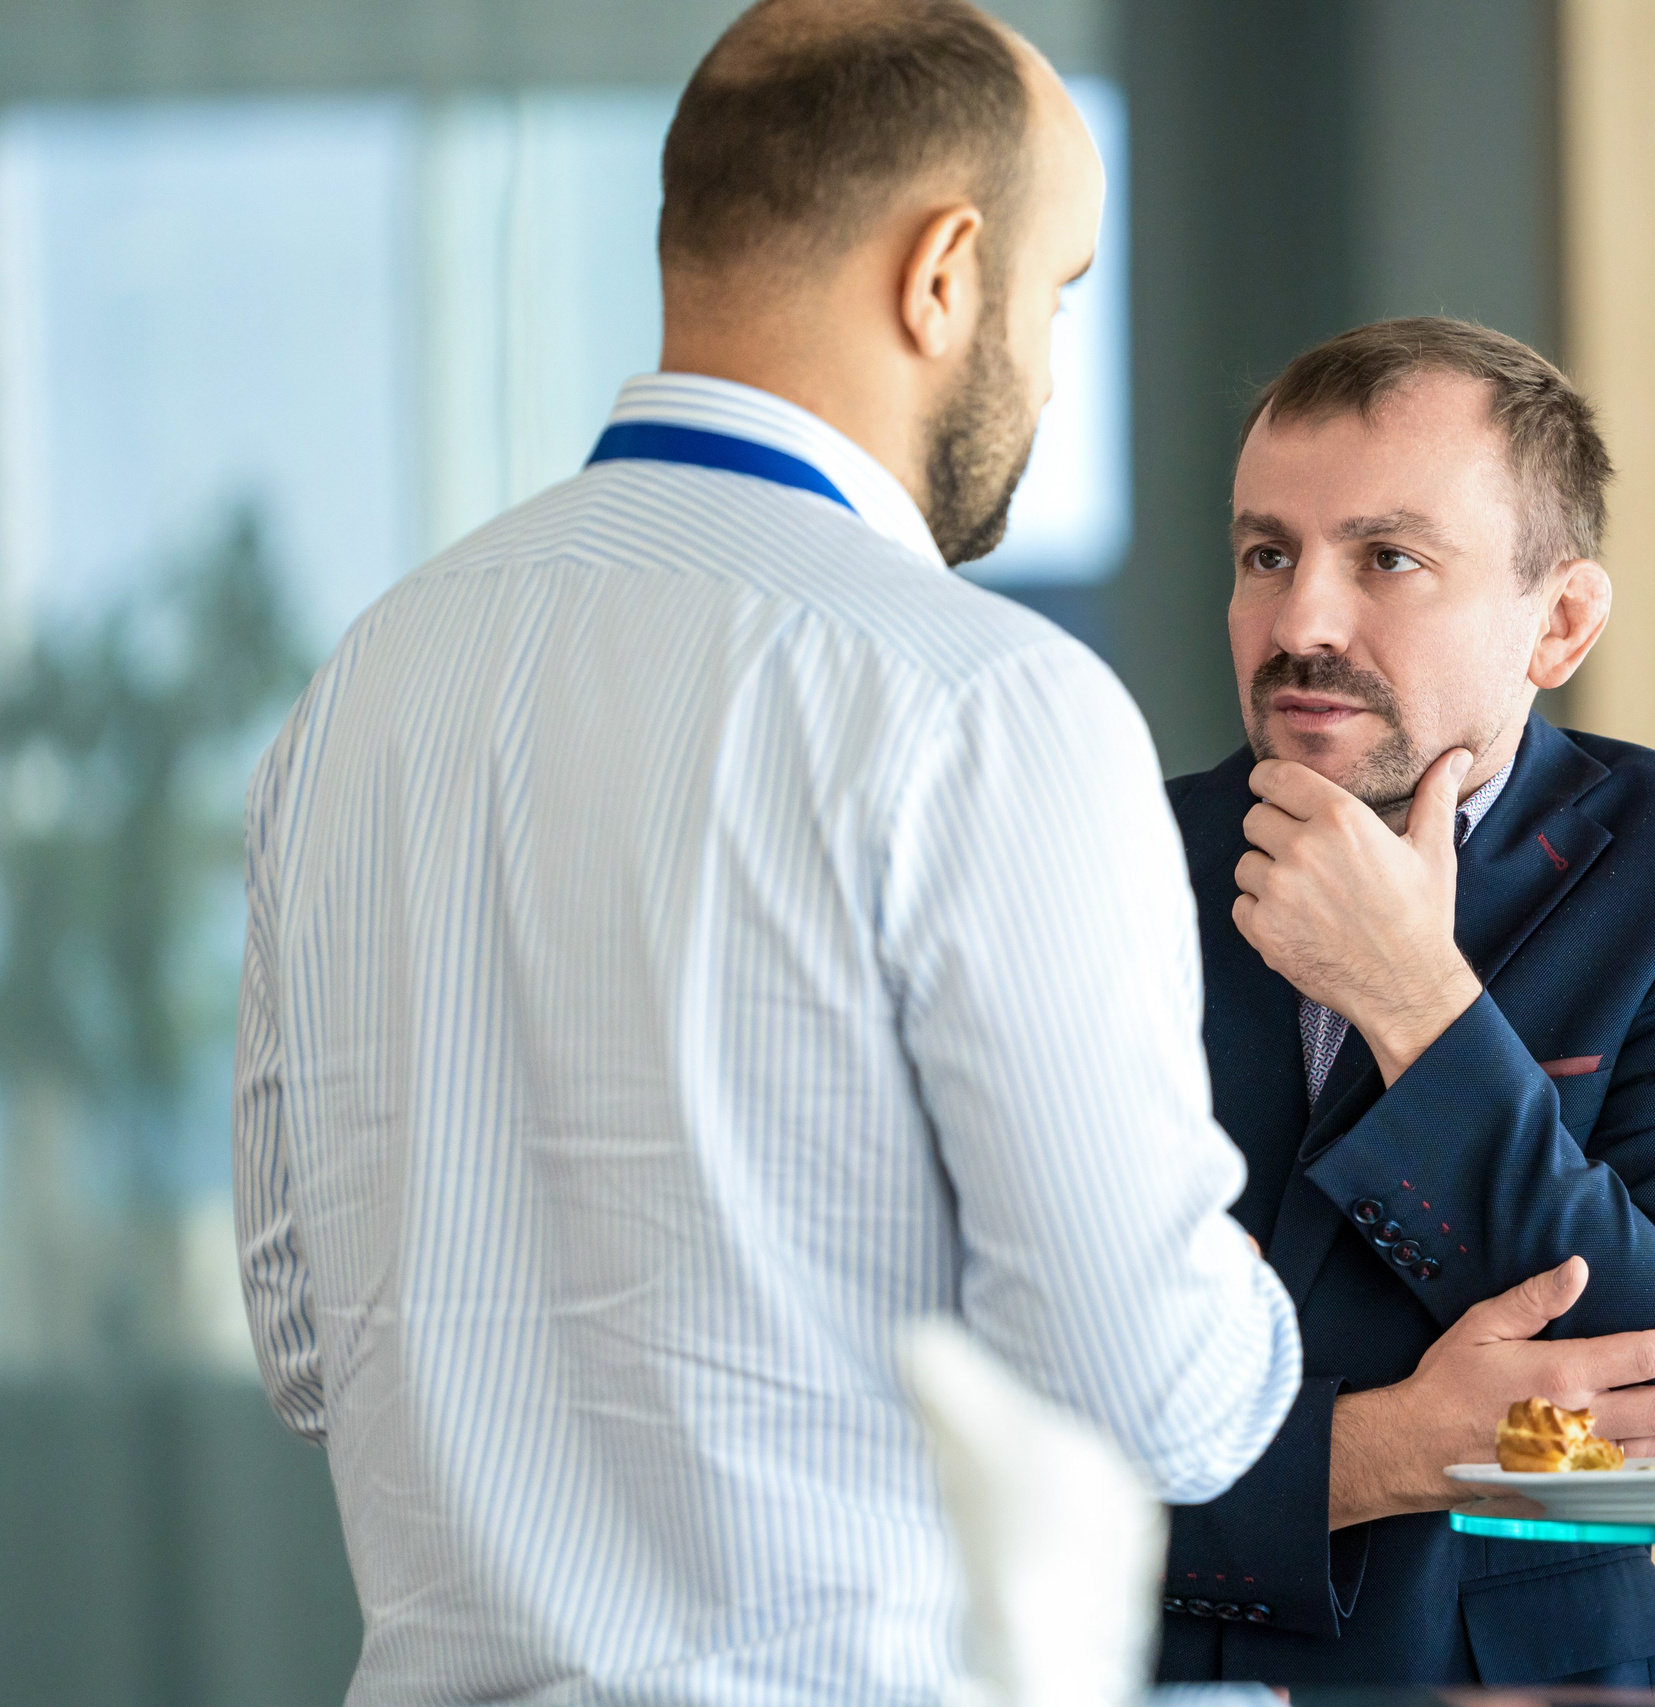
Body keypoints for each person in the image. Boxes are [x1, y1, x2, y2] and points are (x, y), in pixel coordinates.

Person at [228, 6, 1305, 1702]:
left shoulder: (359, 691)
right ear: (946, 274)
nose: (1048, 358)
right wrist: (1218, 1285)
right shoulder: (986, 704)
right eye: (1059, 292)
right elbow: (1148, 1386)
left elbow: (304, 1351)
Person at [1154, 318, 1655, 1688]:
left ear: (1560, 621)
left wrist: (1420, 1009)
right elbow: (985, 1415)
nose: (1302, 624)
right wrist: (1386, 1446)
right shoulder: (1099, 864)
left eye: (1388, 559)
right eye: (1266, 554)